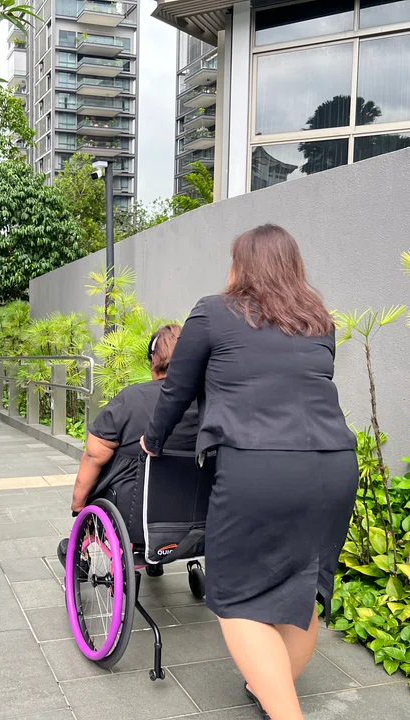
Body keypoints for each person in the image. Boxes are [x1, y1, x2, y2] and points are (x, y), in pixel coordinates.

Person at [141, 225, 358, 720]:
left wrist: (153, 441)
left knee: (236, 596)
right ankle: (268, 686)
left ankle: (284, 709)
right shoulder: (317, 322)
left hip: (257, 467)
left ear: (240, 265)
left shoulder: (213, 312)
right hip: (335, 469)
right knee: (303, 587)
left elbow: (175, 390)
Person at [59, 324, 199, 571]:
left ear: (153, 360)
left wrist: (78, 505)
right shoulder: (211, 401)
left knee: (104, 466)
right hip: (198, 518)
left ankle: (81, 548)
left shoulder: (131, 400)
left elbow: (93, 456)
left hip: (133, 516)